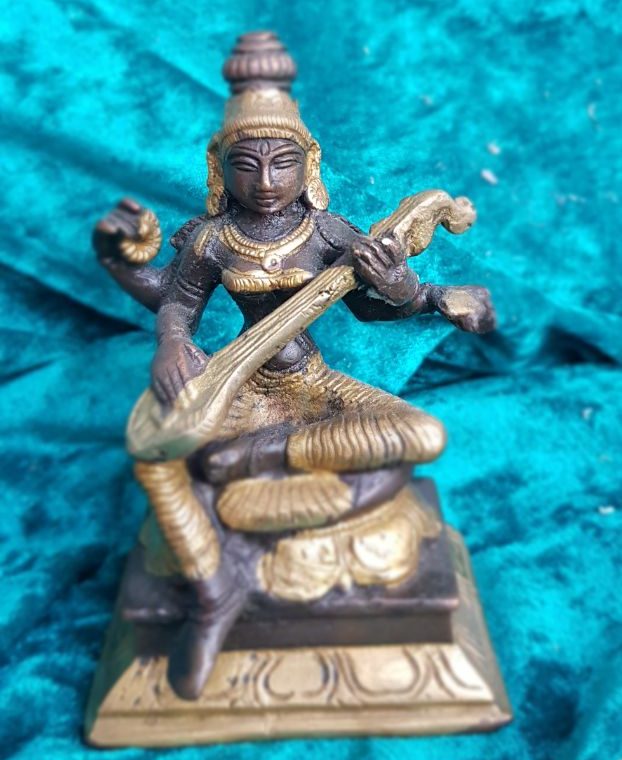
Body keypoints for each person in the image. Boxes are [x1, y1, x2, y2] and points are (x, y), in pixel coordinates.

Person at [93, 31, 495, 699]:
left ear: (309, 165)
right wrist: (145, 304)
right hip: (243, 384)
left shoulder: (330, 234)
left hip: (312, 383)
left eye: (283, 163)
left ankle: (255, 462)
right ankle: (215, 592)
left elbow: (371, 307)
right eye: (247, 166)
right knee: (155, 456)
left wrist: (404, 287)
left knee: (422, 434)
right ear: (220, 168)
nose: (267, 183)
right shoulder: (213, 239)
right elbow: (175, 303)